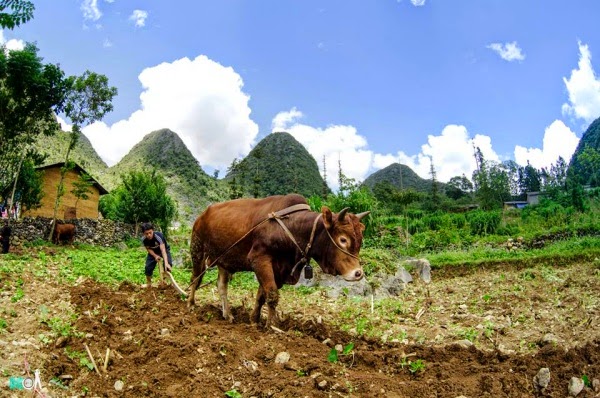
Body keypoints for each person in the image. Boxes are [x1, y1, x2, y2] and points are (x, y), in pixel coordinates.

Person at [141, 222, 172, 288]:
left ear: (153, 231)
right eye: (146, 233)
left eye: (150, 232)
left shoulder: (158, 236)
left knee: (168, 265)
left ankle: (164, 282)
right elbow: (148, 249)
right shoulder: (144, 240)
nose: (149, 235)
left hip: (163, 250)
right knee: (148, 267)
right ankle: (149, 284)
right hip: (153, 251)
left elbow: (163, 250)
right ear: (144, 233)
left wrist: (166, 263)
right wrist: (155, 256)